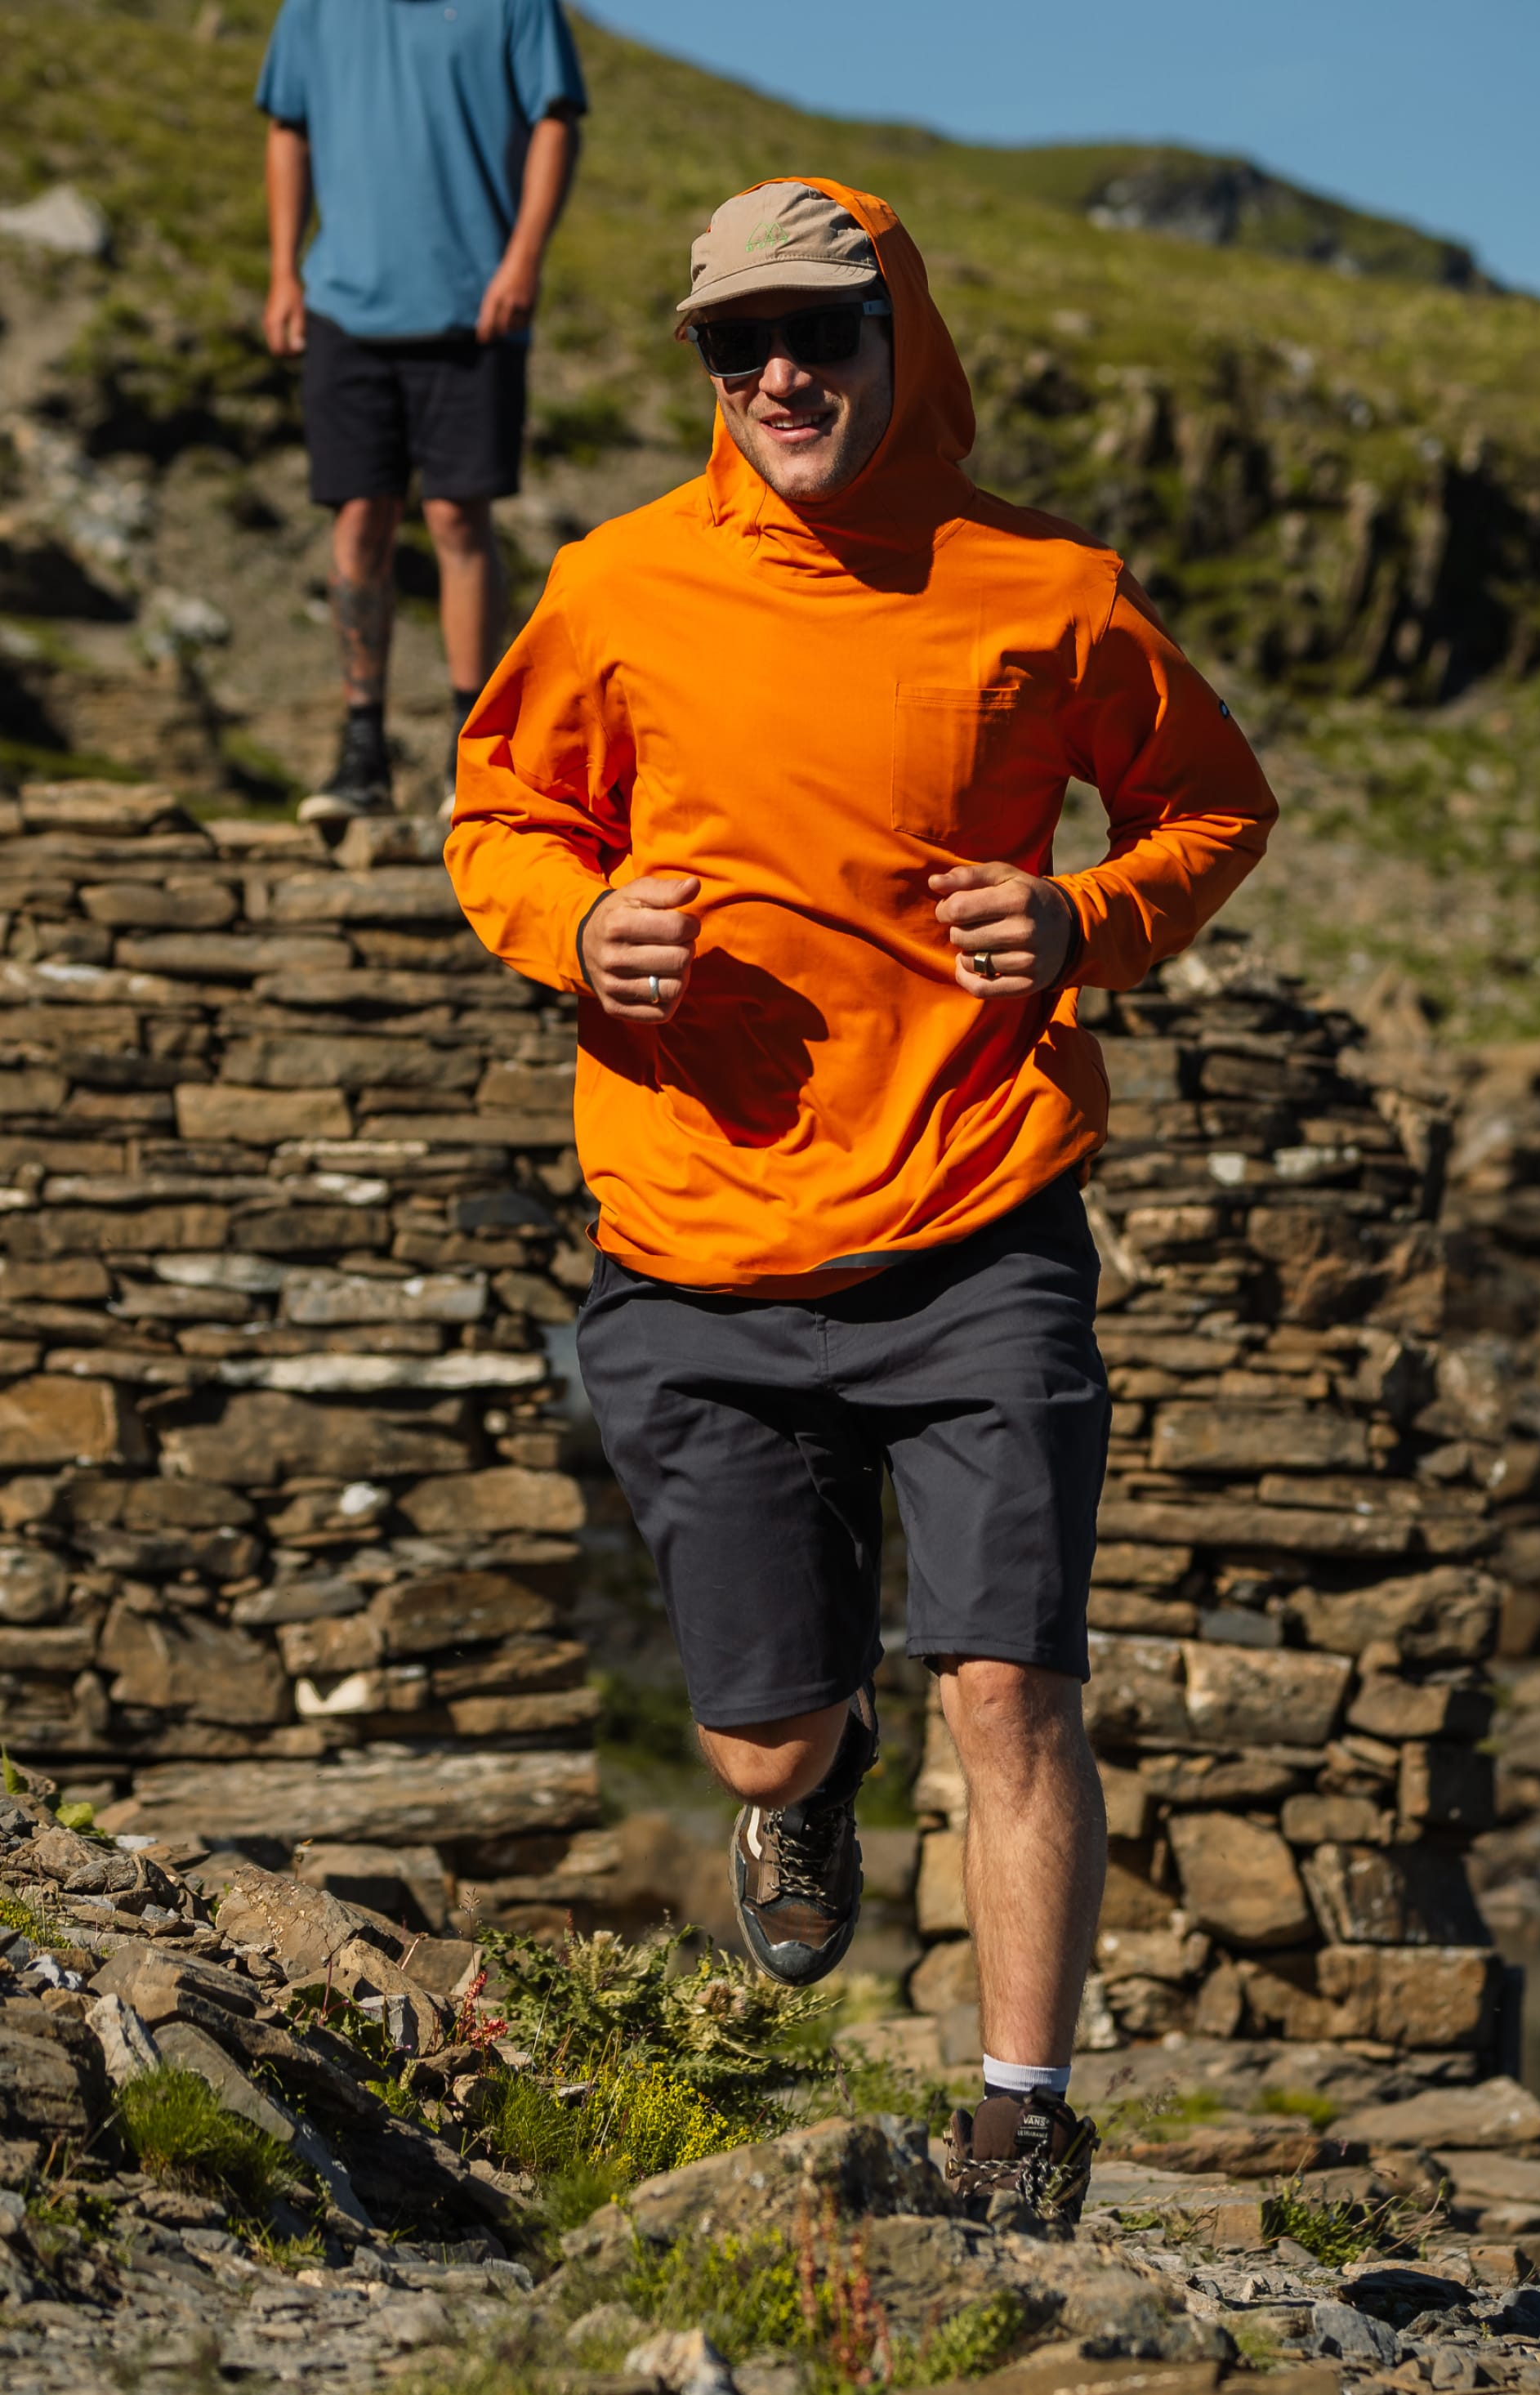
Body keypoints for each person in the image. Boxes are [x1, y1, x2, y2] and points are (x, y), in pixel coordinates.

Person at [445, 179, 1277, 2220]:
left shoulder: (1043, 589)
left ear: (899, 329)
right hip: (693, 1229)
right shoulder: (619, 586)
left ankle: (1020, 2117)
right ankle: (806, 1786)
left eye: (820, 328)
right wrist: (574, 923)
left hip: (983, 1209)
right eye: (736, 347)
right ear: (706, 372)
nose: (781, 375)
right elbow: (500, 808)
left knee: (1009, 1679)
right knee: (757, 1740)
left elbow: (1211, 803)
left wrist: (1081, 918)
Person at [256, 0, 587, 823]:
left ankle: (468, 755)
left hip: (475, 307)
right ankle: (360, 751)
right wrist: (283, 272)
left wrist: (524, 258)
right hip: (343, 308)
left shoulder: (516, 6)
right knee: (358, 518)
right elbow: (287, 128)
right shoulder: (314, 10)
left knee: (456, 518)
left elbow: (555, 121)